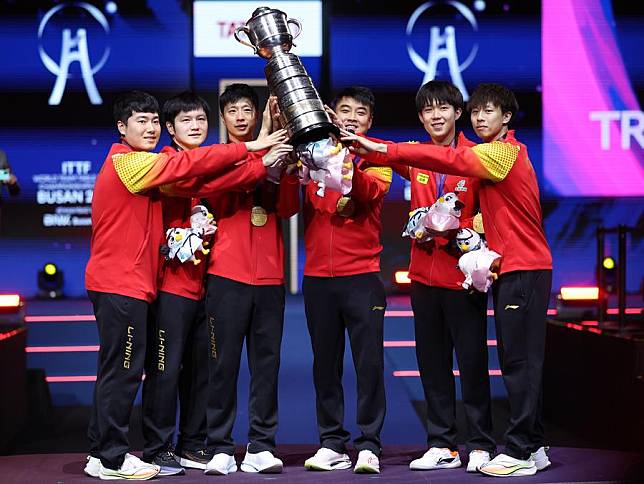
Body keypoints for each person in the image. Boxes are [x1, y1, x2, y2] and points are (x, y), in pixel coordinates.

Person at [343, 83, 553, 478]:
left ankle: (508, 446)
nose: (479, 118)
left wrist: (464, 226)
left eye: (485, 112)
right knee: (496, 360)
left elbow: (446, 164)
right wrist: (350, 139)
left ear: (504, 117)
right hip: (465, 272)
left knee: (512, 362)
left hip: (497, 272)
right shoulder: (457, 155)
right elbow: (413, 155)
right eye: (477, 112)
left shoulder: (497, 153)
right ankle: (517, 444)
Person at [83, 90, 285, 480]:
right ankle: (112, 456)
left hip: (139, 285)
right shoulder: (129, 163)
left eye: (153, 120)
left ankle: (102, 452)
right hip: (120, 283)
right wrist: (254, 147)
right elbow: (195, 163)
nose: (150, 127)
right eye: (141, 121)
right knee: (124, 371)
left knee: (123, 370)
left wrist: (259, 162)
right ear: (121, 128)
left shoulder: (155, 170)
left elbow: (201, 178)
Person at [383, 80, 494, 473]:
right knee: (431, 362)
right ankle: (442, 442)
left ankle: (480, 442)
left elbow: (493, 212)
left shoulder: (477, 157)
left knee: (472, 360)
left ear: (457, 112)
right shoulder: (416, 156)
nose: (436, 115)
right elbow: (379, 151)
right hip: (423, 277)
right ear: (420, 117)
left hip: (464, 278)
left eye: (443, 108)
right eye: (428, 110)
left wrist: (470, 228)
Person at [200, 83, 298, 476]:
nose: (240, 116)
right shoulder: (218, 158)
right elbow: (219, 187)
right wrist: (261, 157)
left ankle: (261, 444)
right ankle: (220, 445)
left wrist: (286, 172)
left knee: (266, 364)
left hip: (270, 277)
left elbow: (288, 210)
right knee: (221, 364)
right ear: (222, 118)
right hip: (226, 274)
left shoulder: (275, 156)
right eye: (232, 111)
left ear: (257, 115)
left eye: (247, 110)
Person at [302, 87, 391, 474]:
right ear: (333, 115)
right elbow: (312, 198)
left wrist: (342, 158)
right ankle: (332, 442)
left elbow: (366, 192)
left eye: (361, 113)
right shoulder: (312, 159)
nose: (352, 117)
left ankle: (369, 443)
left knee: (368, 363)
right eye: (345, 110)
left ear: (369, 122)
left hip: (362, 278)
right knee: (325, 365)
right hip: (318, 278)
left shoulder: (378, 161)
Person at [0, 148, 20, 233]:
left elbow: (14, 191)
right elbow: (4, 175)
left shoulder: (1, 156)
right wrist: (3, 176)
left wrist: (12, 183)